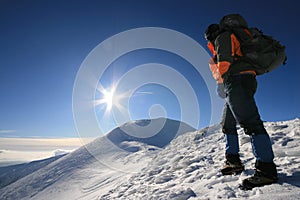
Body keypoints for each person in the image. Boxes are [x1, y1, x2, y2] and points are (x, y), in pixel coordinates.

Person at [204, 14, 278, 189]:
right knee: (227, 124)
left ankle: (266, 170)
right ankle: (233, 161)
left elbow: (225, 61)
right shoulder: (224, 39)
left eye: (207, 37)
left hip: (237, 80)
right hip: (236, 82)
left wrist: (221, 82)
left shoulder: (223, 37)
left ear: (211, 34)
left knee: (251, 122)